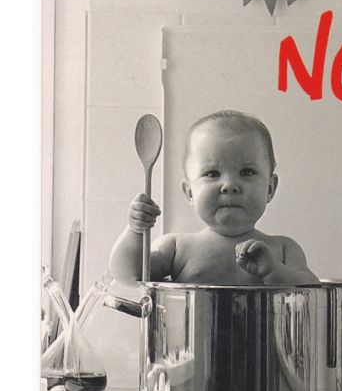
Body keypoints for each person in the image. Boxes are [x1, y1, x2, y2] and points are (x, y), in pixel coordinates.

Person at [109, 110, 319, 286]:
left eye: (247, 172)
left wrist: (274, 270)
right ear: (190, 192)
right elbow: (127, 274)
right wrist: (135, 231)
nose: (230, 185)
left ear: (270, 189)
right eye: (212, 174)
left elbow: (312, 290)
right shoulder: (177, 248)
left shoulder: (283, 249)